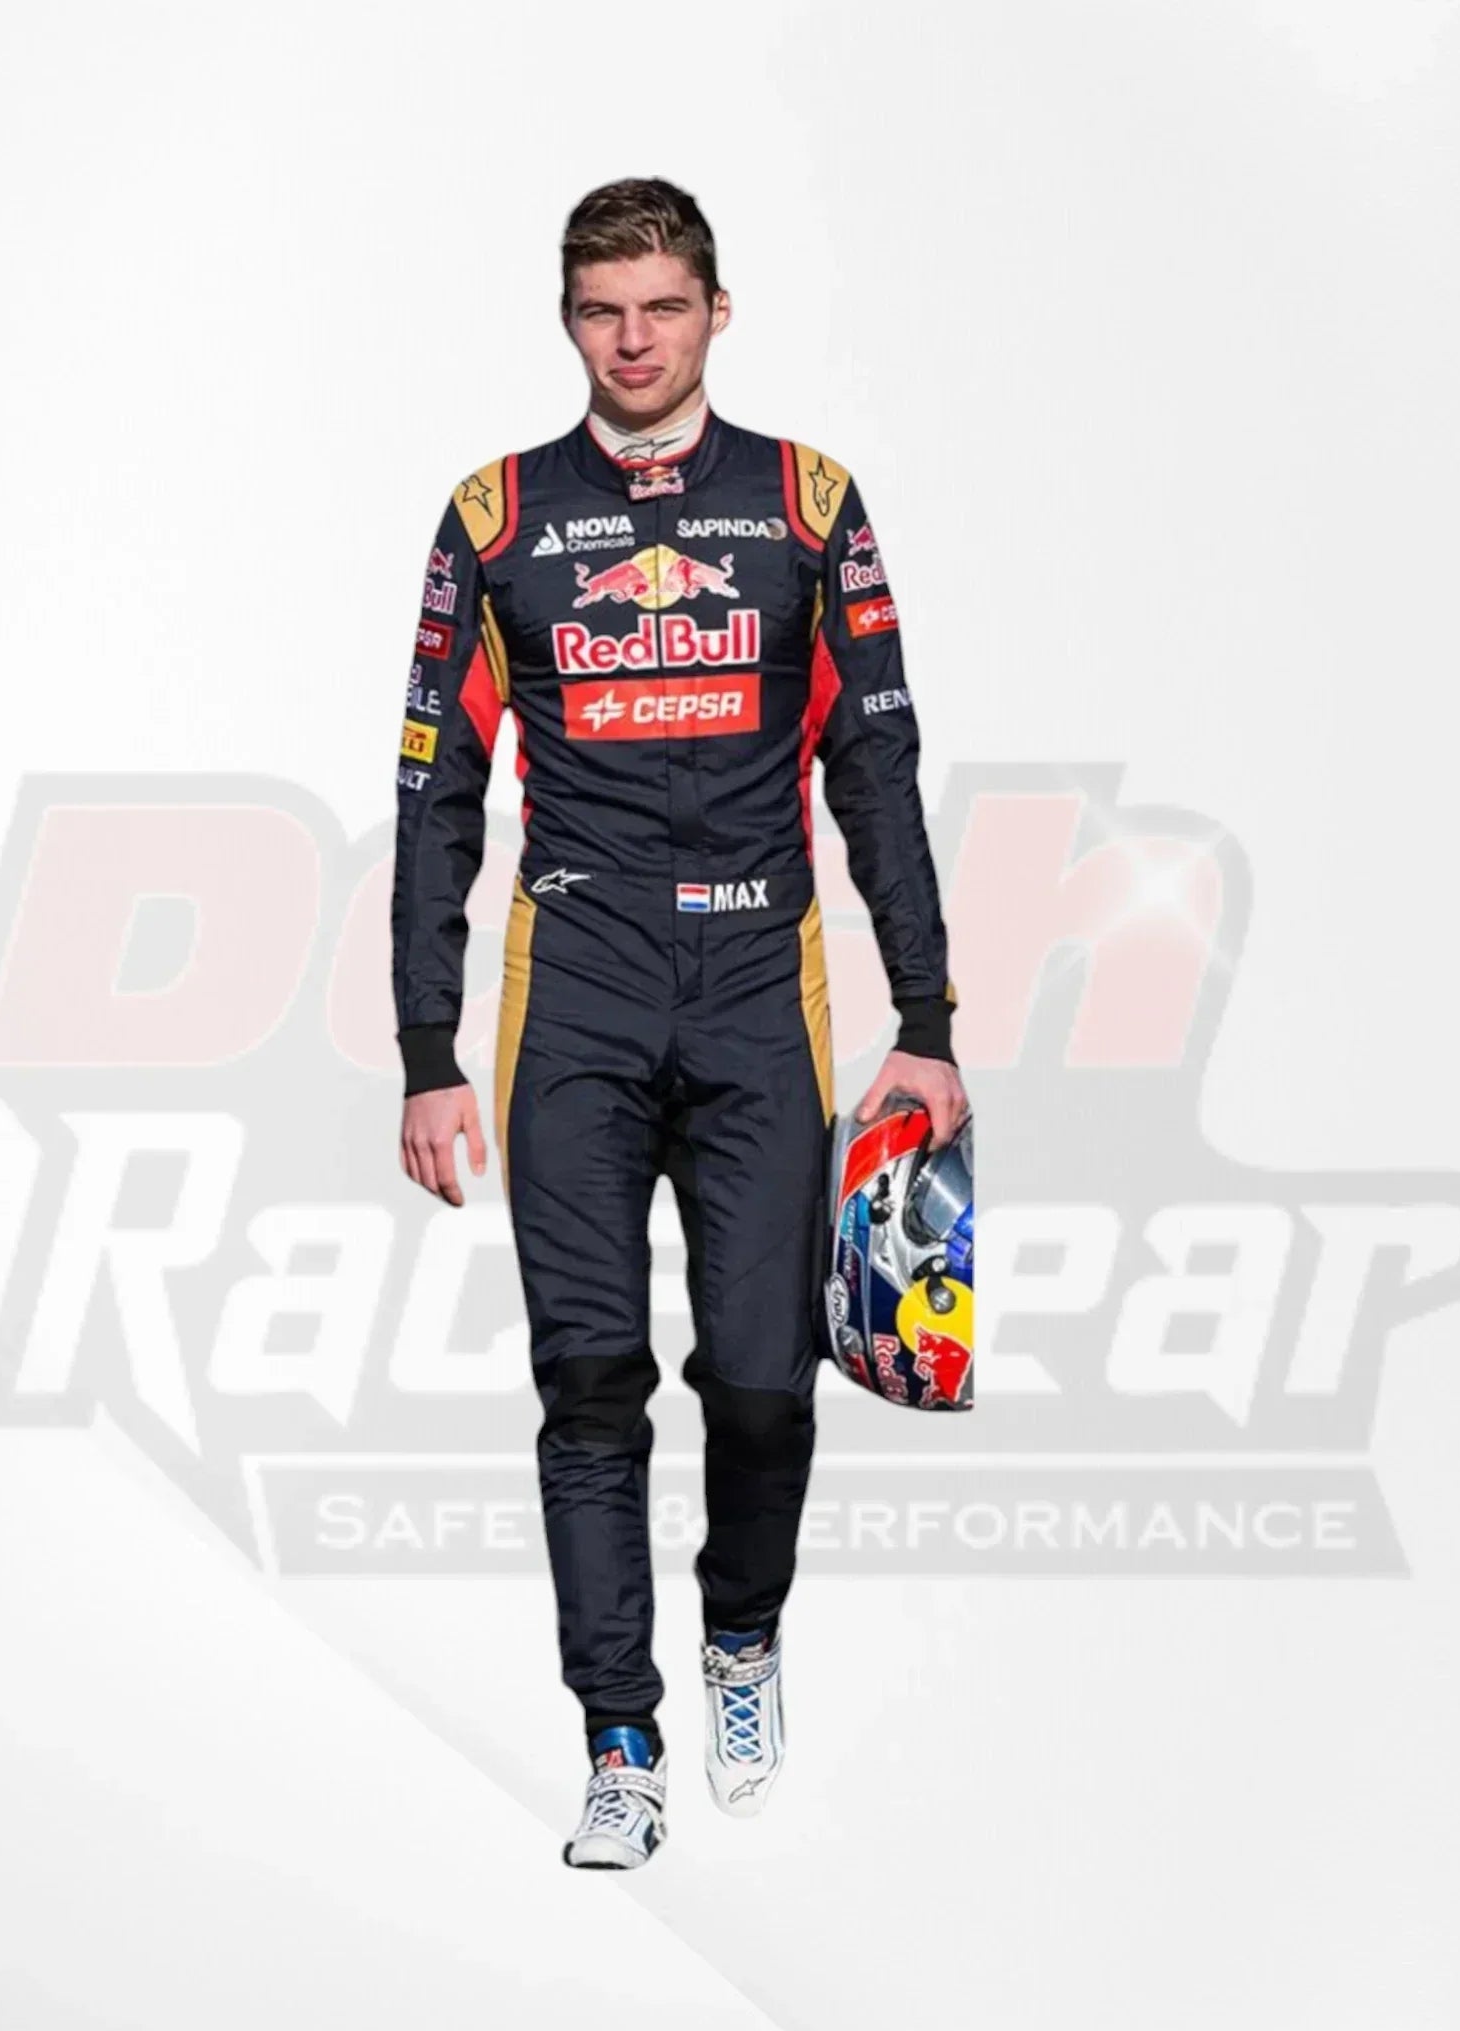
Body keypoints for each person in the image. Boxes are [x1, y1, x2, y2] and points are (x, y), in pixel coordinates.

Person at [390, 177, 966, 1869]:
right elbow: (434, 793)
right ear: (567, 320)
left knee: (767, 1382)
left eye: (660, 307)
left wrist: (927, 1015)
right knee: (588, 1384)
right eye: (600, 310)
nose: (631, 341)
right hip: (571, 983)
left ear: (718, 311)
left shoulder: (807, 503)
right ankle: (620, 1743)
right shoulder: (495, 516)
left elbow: (877, 764)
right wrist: (426, 1051)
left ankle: (740, 1636)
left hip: (756, 981)